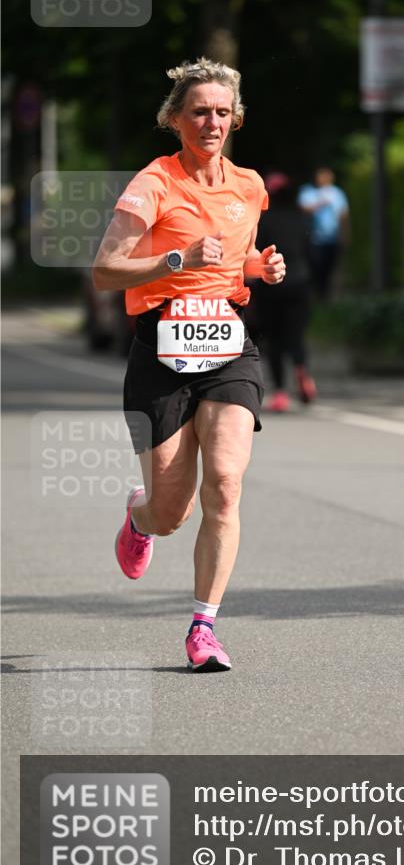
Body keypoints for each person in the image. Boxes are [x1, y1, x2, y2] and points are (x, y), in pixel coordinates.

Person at [92, 57, 286, 672]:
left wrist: (259, 267)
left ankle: (203, 627)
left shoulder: (248, 185)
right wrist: (174, 260)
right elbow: (104, 270)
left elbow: (238, 257)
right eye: (199, 111)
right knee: (172, 511)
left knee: (225, 486)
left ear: (236, 119)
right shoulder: (153, 184)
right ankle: (139, 517)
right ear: (175, 118)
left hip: (228, 347)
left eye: (223, 112)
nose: (212, 122)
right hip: (162, 352)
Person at [255, 172, 317, 412]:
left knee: (274, 339)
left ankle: (281, 392)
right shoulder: (301, 218)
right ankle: (301, 369)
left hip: (271, 285)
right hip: (300, 282)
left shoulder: (265, 220)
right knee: (297, 335)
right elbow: (312, 251)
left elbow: (256, 252)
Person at [297, 166, 349, 300]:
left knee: (330, 271)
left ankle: (326, 301)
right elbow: (303, 209)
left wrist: (345, 235)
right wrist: (321, 203)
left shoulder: (338, 193)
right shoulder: (308, 191)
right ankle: (315, 299)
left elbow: (343, 216)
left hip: (332, 239)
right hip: (313, 240)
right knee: (315, 270)